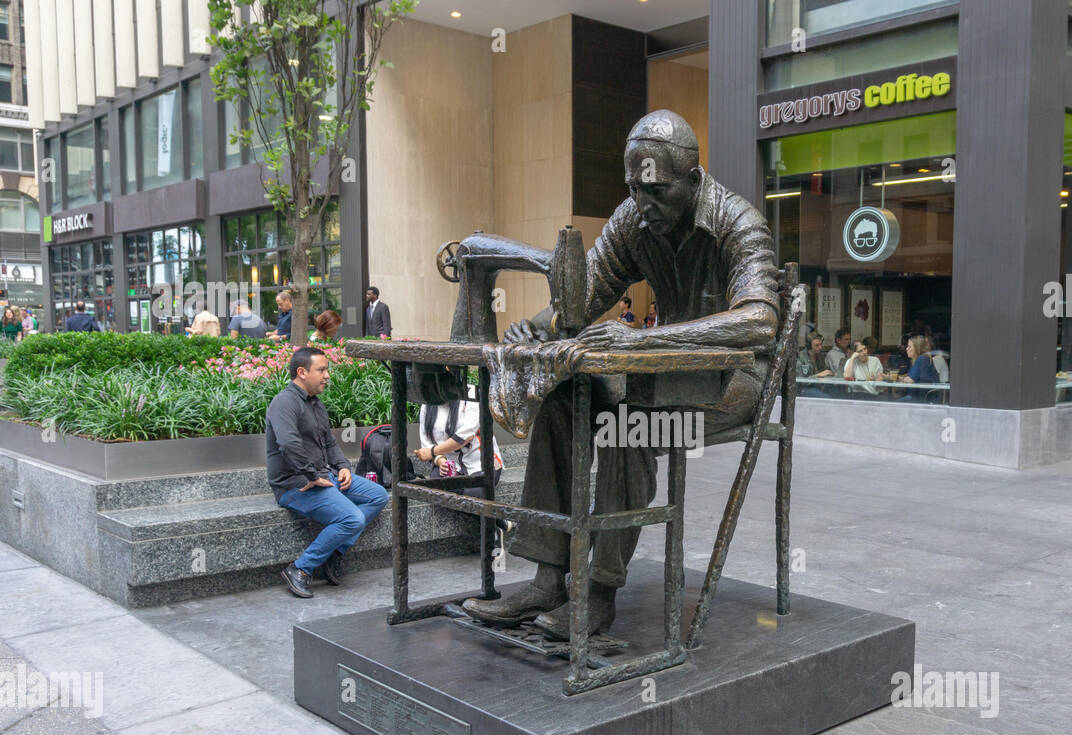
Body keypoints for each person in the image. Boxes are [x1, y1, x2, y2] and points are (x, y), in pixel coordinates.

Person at [461, 109, 779, 641]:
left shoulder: (737, 221)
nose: (642, 203)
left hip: (735, 381)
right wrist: (537, 329)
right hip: (661, 370)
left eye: (655, 191)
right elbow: (584, 298)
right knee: (565, 400)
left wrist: (643, 339)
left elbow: (760, 319)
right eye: (633, 189)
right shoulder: (632, 219)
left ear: (693, 181)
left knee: (631, 427)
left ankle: (599, 591)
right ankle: (547, 577)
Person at [267, 347, 390, 598]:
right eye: (321, 370)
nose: (327, 375)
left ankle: (334, 550)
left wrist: (343, 466)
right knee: (352, 518)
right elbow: (289, 445)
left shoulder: (316, 404)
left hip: (324, 476)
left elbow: (330, 444)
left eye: (327, 369)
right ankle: (300, 569)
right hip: (296, 484)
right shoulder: (284, 403)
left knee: (378, 495)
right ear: (302, 372)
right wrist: (313, 476)